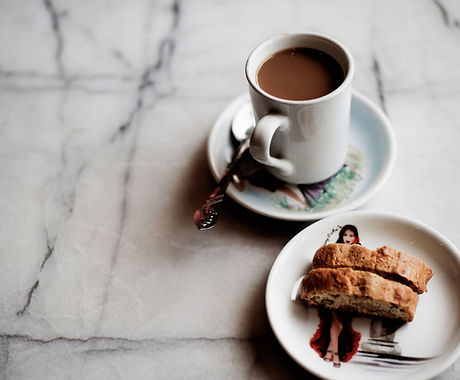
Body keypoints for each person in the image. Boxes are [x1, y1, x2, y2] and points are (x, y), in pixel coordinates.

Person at [310, 225, 361, 367]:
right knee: (336, 324)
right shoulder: (335, 250)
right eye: (346, 235)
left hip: (347, 297)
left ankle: (330, 352)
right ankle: (334, 354)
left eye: (351, 236)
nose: (348, 238)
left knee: (339, 325)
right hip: (334, 293)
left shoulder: (359, 250)